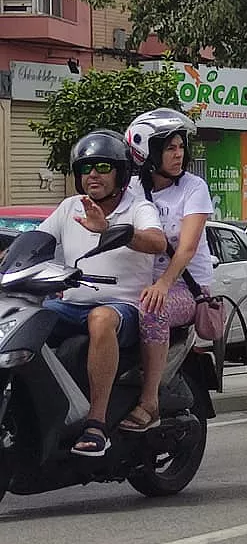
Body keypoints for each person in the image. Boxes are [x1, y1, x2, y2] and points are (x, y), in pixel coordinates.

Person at [35, 131, 167, 456]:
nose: (92, 174)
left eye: (102, 166)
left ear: (120, 172)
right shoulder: (69, 208)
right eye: (86, 167)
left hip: (122, 309)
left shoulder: (139, 208)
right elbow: (36, 243)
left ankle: (96, 424)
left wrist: (109, 229)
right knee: (27, 317)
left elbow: (157, 242)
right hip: (72, 305)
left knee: (100, 318)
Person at [123, 107, 216, 433]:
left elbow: (188, 247)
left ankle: (150, 403)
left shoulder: (193, 188)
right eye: (169, 148)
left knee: (152, 309)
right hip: (138, 283)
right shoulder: (130, 189)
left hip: (187, 288)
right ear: (146, 153)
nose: (179, 155)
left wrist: (163, 284)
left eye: (181, 147)